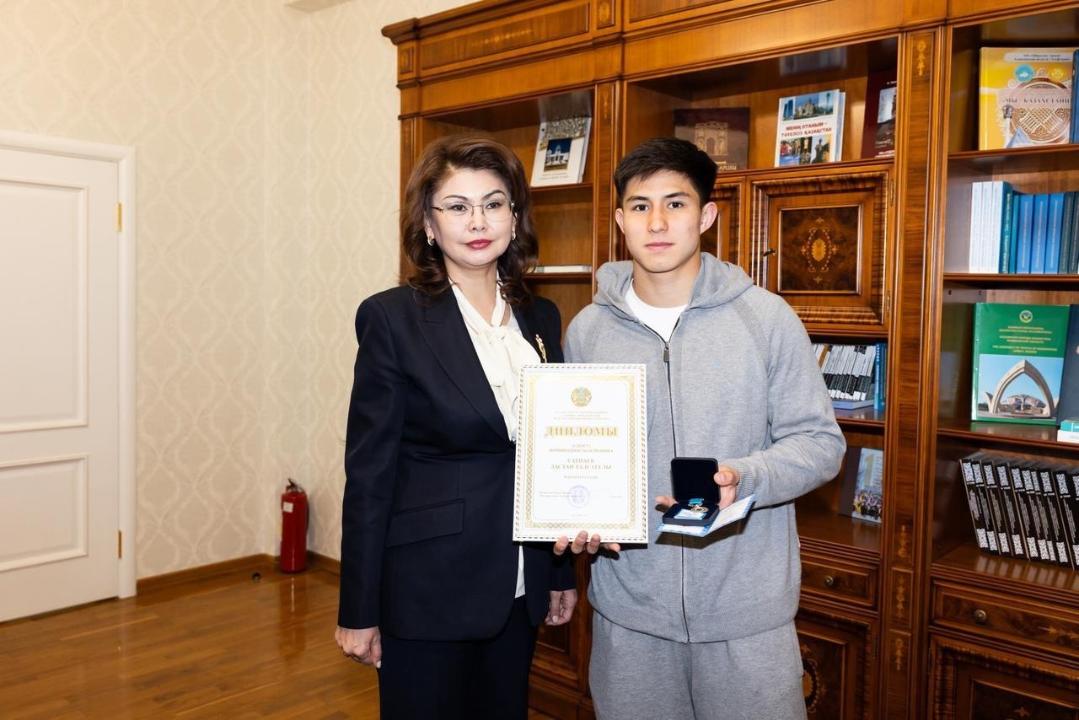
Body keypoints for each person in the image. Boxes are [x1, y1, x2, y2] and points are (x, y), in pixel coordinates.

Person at [556, 137, 845, 720]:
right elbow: (578, 453)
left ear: (707, 216)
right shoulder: (587, 331)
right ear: (620, 220)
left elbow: (820, 444)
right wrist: (575, 513)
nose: (657, 223)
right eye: (640, 206)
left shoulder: (766, 317)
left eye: (676, 203)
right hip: (630, 617)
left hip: (747, 619)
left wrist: (744, 476)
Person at [335, 135, 577, 720]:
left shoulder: (541, 317)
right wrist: (358, 608)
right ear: (428, 223)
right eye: (458, 206)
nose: (478, 221)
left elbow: (554, 455)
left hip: (519, 583)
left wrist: (558, 571)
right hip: (428, 588)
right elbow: (369, 475)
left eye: (493, 204)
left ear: (515, 217)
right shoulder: (391, 318)